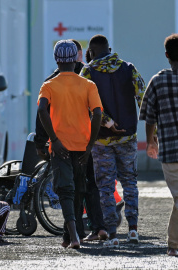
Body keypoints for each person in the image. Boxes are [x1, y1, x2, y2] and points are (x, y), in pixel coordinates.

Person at [80, 34, 146, 248]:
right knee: (130, 183)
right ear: (109, 48)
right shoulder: (129, 68)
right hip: (128, 136)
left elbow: (87, 106)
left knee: (106, 188)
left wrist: (108, 123)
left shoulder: (87, 72)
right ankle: (133, 229)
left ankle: (112, 233)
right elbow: (142, 97)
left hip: (101, 141)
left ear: (91, 52)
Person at [38, 39, 103, 249]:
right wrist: (91, 145)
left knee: (65, 190)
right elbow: (97, 114)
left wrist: (54, 140)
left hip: (61, 148)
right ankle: (72, 236)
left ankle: (73, 236)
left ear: (57, 60)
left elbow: (41, 111)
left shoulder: (48, 85)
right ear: (76, 59)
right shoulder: (88, 85)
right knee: (79, 189)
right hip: (83, 147)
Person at [139, 33, 178, 257]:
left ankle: (173, 245)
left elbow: (150, 116)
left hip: (170, 151)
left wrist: (151, 141)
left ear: (166, 55)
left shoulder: (158, 81)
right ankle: (173, 245)